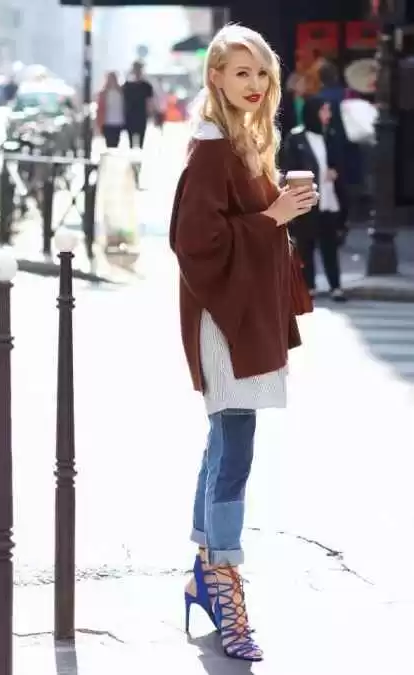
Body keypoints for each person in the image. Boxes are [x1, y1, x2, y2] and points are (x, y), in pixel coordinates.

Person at [169, 24, 317, 662]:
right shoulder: (212, 148)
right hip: (225, 319)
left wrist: (278, 207)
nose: (254, 85)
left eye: (261, 74)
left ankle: (206, 575)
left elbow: (239, 224)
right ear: (216, 78)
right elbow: (193, 243)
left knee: (223, 441)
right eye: (241, 73)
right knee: (235, 448)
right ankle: (225, 582)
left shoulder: (243, 141)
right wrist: (272, 217)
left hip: (241, 311)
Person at [281, 96, 348, 301]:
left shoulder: (330, 136)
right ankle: (309, 286)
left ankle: (335, 286)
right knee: (306, 245)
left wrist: (335, 171)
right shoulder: (296, 139)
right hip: (307, 200)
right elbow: (289, 167)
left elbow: (338, 161)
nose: (328, 115)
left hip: (328, 199)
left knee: (330, 245)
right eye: (324, 110)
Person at [122, 60, 154, 149]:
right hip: (130, 114)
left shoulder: (146, 86)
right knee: (130, 138)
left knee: (141, 137)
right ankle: (132, 153)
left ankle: (139, 152)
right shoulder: (127, 85)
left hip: (141, 114)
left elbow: (149, 101)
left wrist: (150, 113)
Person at [96, 71, 125, 148]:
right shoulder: (103, 93)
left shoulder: (121, 92)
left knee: (116, 143)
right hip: (107, 122)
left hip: (118, 121)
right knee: (109, 144)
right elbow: (99, 109)